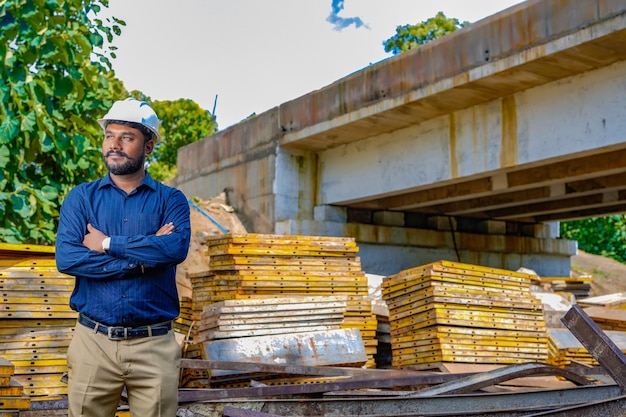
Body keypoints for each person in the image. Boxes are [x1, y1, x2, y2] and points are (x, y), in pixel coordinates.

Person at [55, 98, 191, 417]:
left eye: (126, 137)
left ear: (148, 147)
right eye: (109, 135)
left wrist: (107, 243)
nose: (114, 145)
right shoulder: (81, 199)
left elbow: (173, 249)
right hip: (93, 343)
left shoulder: (172, 201)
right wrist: (143, 257)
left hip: (154, 345)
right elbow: (68, 259)